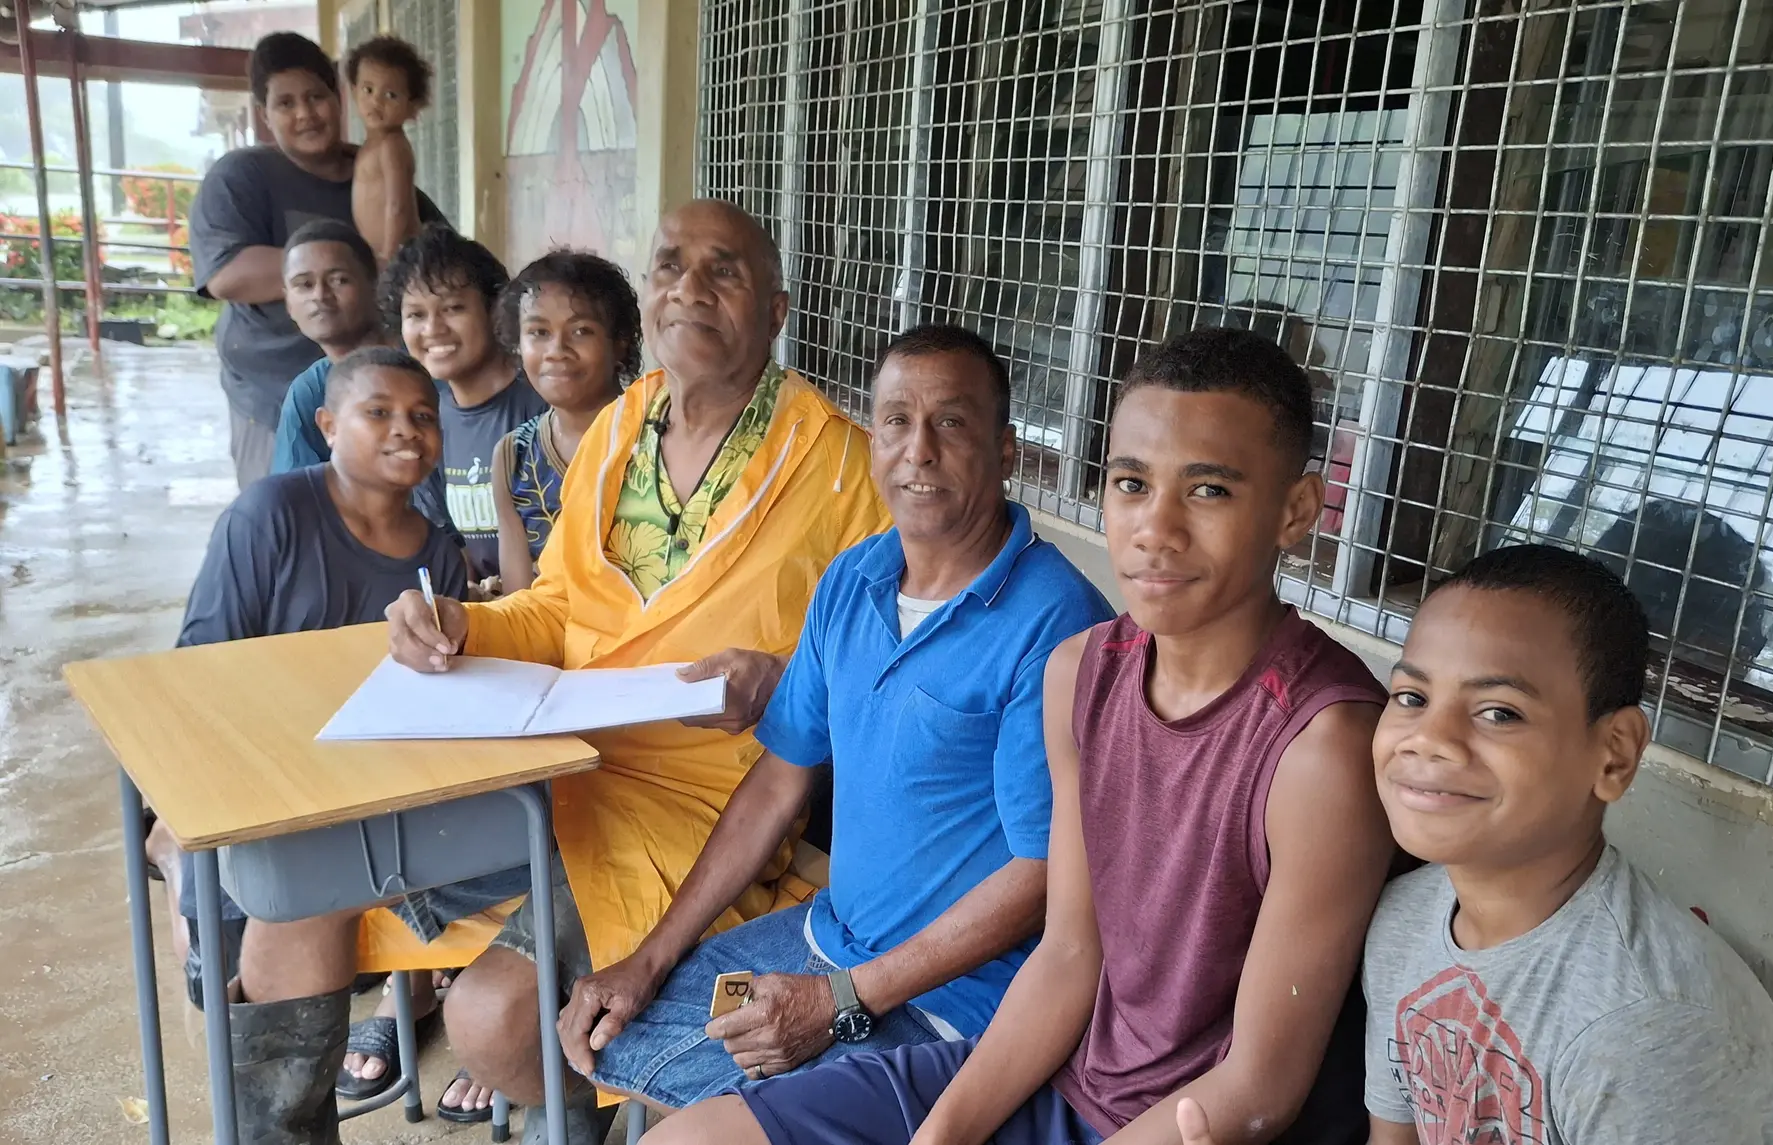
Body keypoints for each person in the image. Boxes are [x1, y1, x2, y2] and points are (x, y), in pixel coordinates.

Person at [647, 326, 1396, 1145]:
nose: (1156, 528)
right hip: (1061, 1077)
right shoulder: (1084, 671)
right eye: (1132, 483)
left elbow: (1256, 1091)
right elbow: (1070, 956)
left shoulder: (1321, 744)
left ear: (1295, 512)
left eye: (1209, 490)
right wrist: (942, 1135)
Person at [383, 199, 890, 1142]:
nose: (689, 287)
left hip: (703, 800)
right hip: (560, 757)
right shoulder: (615, 430)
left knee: (494, 1019)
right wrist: (463, 622)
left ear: (777, 311)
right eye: (669, 267)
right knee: (314, 881)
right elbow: (559, 608)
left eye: (724, 271)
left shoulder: (843, 468)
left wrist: (784, 682)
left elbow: (882, 671)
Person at [557, 324, 1112, 1109]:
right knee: (621, 1034)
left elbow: (1045, 873)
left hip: (956, 999)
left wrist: (842, 1001)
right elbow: (778, 778)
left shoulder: (1055, 621)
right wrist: (649, 956)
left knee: (723, 1122)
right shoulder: (853, 579)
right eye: (895, 421)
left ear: (1007, 448)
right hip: (827, 937)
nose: (918, 449)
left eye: (951, 422)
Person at [1348, 543, 1773, 1144]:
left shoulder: (1650, 1030)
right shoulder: (1404, 923)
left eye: (1499, 713)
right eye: (1411, 698)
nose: (1429, 739)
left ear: (1614, 754)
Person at [146, 345, 465, 1021]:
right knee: (229, 982)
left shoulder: (439, 553)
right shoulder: (267, 514)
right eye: (377, 412)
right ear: (325, 425)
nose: (406, 429)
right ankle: (175, 848)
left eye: (422, 415)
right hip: (252, 772)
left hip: (369, 779)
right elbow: (199, 670)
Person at [190, 31, 444, 489]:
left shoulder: (379, 167)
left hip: (378, 399)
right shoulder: (242, 177)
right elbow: (227, 274)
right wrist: (364, 269)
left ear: (339, 97)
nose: (305, 113)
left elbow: (439, 264)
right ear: (264, 114)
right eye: (285, 104)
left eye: (316, 97)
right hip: (271, 397)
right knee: (285, 524)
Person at [387, 224, 549, 590]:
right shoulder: (425, 417)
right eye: (415, 314)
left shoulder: (542, 401)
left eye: (453, 308)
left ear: (495, 311)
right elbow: (447, 540)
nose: (433, 328)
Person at [490, 251, 640, 596]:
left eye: (581, 331)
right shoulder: (514, 456)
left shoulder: (654, 434)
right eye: (539, 332)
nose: (557, 349)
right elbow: (519, 600)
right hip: (545, 641)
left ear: (620, 343)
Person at [268, 220, 389, 473]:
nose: (320, 295)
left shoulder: (427, 362)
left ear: (375, 286)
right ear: (288, 303)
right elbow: (292, 494)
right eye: (304, 285)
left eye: (338, 280)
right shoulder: (309, 390)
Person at [343, 35, 431, 263]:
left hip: (402, 255)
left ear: (413, 107)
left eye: (391, 95)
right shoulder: (368, 146)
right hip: (382, 256)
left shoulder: (392, 146)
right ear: (353, 91)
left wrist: (391, 257)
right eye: (368, 90)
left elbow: (397, 206)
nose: (376, 102)